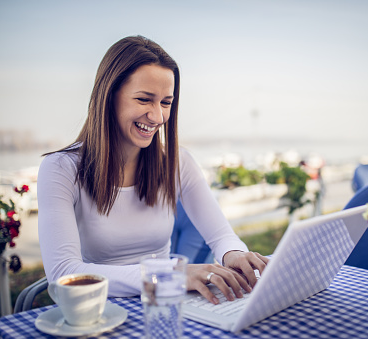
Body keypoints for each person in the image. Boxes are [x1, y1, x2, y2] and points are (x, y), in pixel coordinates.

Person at [37, 35, 268, 305]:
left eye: (166, 103)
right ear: (109, 96)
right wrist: (169, 275)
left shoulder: (177, 161)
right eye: (145, 99)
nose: (158, 117)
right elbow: (64, 273)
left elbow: (221, 235)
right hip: (98, 310)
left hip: (164, 306)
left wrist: (234, 254)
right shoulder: (60, 169)